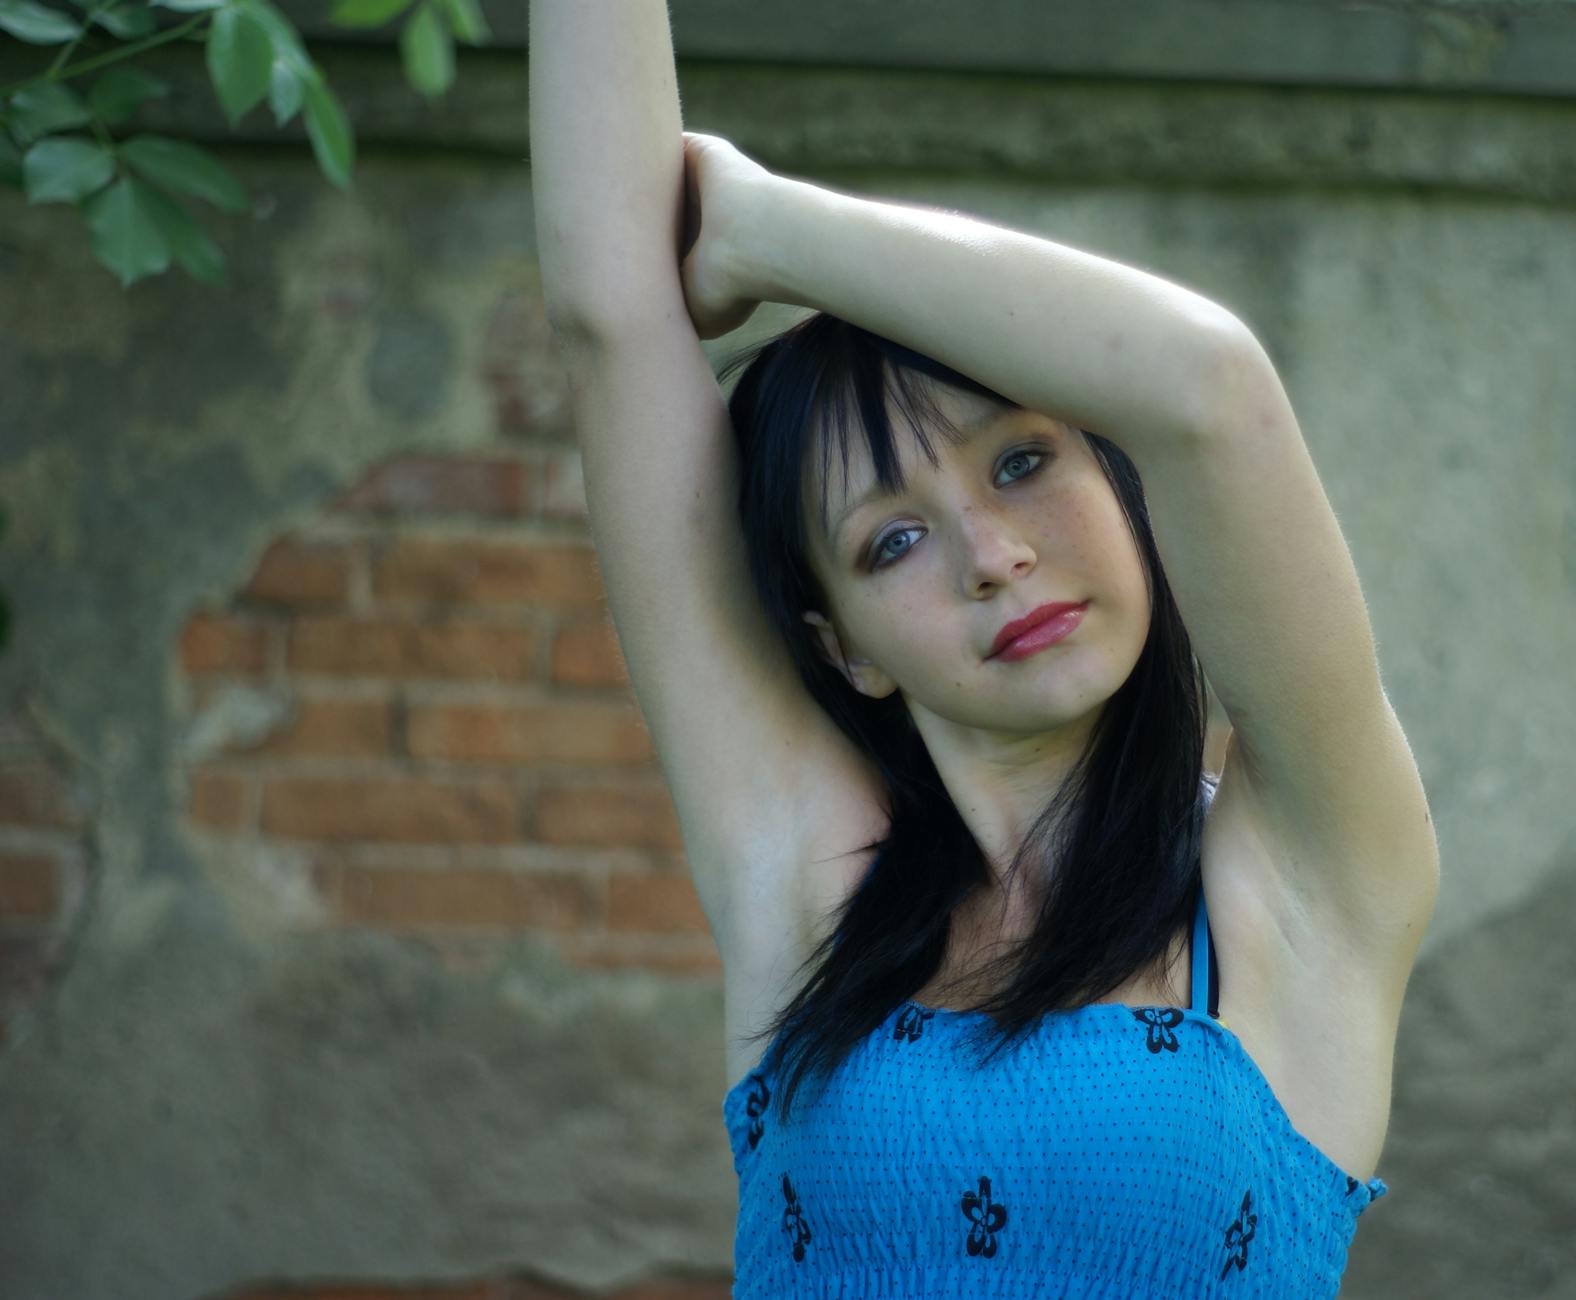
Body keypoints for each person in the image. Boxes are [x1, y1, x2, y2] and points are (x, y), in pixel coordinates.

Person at [529, 4, 1440, 1295]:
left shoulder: (1303, 882)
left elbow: (1208, 387)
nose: (992, 555)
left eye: (1021, 462)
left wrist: (766, 230)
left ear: (1127, 484)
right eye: (892, 541)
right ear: (845, 650)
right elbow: (610, 315)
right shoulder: (807, 879)